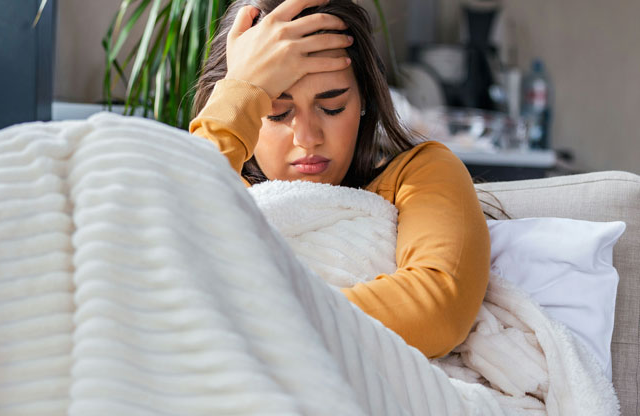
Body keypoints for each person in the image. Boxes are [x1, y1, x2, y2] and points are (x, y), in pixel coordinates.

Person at [189, 0, 490, 359]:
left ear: (364, 98)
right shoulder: (213, 185)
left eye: (332, 106)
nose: (308, 137)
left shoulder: (418, 176)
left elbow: (439, 308)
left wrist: (247, 323)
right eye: (276, 111)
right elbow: (158, 249)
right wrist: (240, 87)